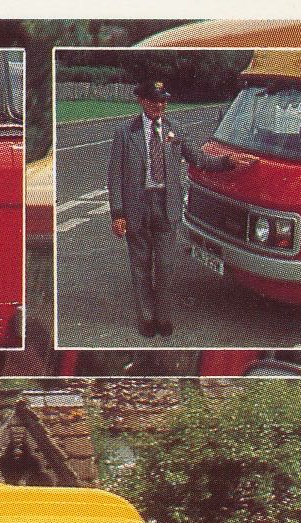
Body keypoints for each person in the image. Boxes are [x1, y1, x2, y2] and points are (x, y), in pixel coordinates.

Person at [107, 79, 249, 340]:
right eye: (153, 101)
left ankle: (163, 316)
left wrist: (228, 161)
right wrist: (117, 213)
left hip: (167, 206)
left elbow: (198, 159)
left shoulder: (175, 130)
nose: (159, 106)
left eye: (163, 101)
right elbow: (115, 176)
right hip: (137, 207)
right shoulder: (125, 133)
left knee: (165, 266)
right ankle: (146, 317)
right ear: (141, 101)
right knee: (140, 265)